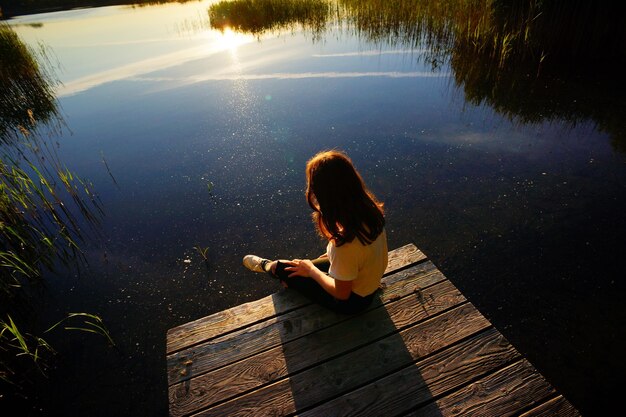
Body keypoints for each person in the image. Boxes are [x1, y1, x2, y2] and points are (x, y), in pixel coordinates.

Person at [243, 150, 388, 315]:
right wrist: (318, 264)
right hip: (366, 283)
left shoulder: (345, 246)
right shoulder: (371, 214)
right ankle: (298, 275)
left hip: (352, 303)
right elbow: (357, 255)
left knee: (284, 268)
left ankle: (268, 266)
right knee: (301, 266)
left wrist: (312, 271)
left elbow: (341, 294)